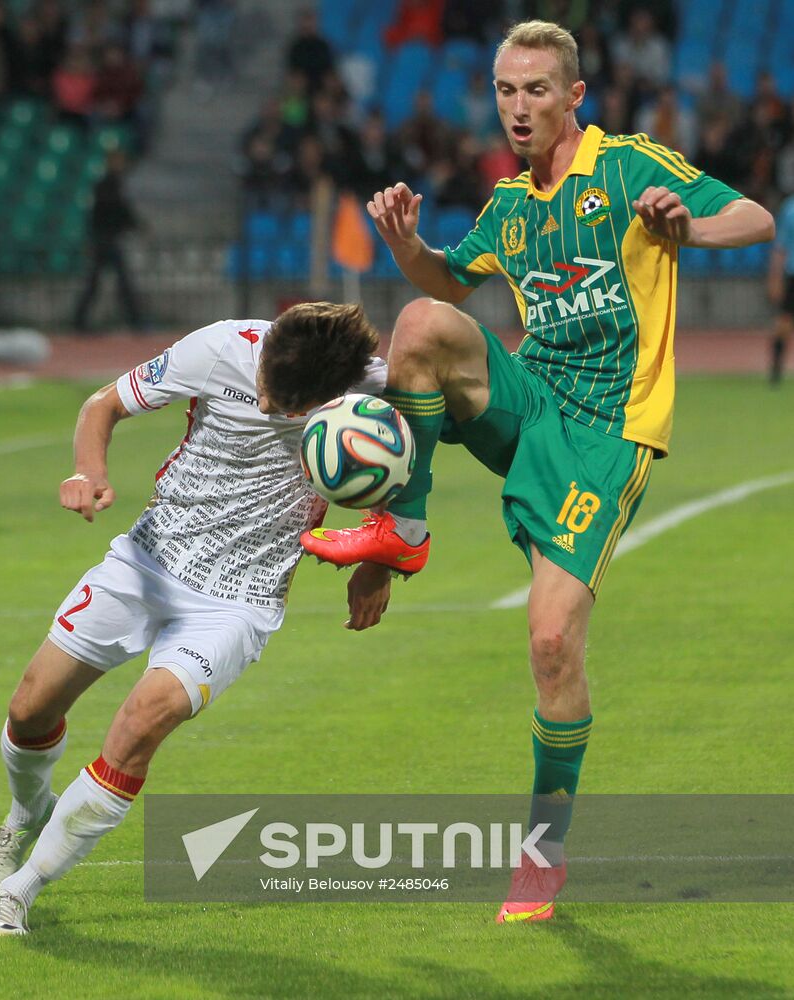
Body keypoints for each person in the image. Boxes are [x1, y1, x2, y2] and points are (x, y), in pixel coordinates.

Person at [301, 19, 774, 923]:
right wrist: (404, 244)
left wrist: (689, 225)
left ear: (573, 98)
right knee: (416, 327)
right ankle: (404, 526)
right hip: (532, 403)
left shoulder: (629, 166)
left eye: (536, 92)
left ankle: (541, 856)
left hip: (608, 432)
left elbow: (756, 217)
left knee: (553, 644)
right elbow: (450, 287)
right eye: (506, 92)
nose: (518, 109)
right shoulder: (509, 205)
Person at [0, 301, 390, 935]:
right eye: (264, 391)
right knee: (30, 708)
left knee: (143, 721)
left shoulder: (370, 393)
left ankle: (23, 889)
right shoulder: (221, 347)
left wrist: (380, 561)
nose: (268, 407)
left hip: (240, 599)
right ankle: (27, 810)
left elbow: (416, 463)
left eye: (285, 406)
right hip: (148, 561)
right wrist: (88, 471)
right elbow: (101, 405)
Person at [73, 149, 143, 332]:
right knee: (114, 282)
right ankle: (135, 321)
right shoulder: (107, 184)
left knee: (105, 282)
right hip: (106, 239)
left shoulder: (111, 184)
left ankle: (81, 320)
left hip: (106, 238)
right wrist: (135, 225)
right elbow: (117, 210)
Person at [768, 192, 794, 384]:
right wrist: (775, 278)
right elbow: (780, 247)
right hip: (792, 274)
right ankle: (776, 369)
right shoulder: (789, 209)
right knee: (783, 322)